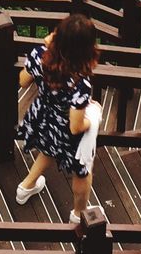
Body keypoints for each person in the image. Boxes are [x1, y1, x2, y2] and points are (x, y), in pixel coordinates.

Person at [14, 14, 101, 223]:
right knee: (83, 171)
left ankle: (25, 187)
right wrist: (95, 116)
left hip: (44, 116)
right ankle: (79, 215)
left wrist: (47, 47)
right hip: (64, 126)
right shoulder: (80, 82)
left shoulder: (39, 55)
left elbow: (23, 81)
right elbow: (76, 127)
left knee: (48, 149)